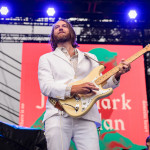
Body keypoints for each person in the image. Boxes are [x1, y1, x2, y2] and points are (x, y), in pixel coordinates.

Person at [38, 19, 131, 150]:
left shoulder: (90, 57)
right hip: (58, 113)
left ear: (72, 32)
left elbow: (100, 87)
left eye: (64, 26)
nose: (60, 28)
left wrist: (117, 75)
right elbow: (46, 87)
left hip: (86, 116)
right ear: (52, 35)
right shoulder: (46, 58)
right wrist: (73, 89)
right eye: (56, 27)